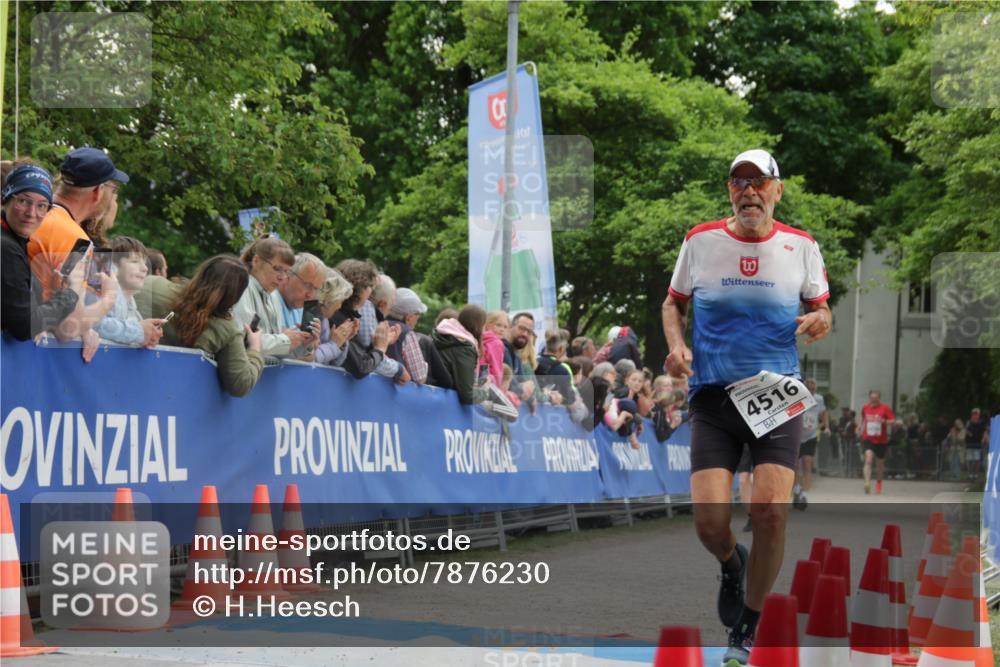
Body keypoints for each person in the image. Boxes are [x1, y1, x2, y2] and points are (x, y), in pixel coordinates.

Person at [661, 149, 832, 665]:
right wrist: (675, 345)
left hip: (775, 396)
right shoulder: (701, 240)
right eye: (739, 183)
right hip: (713, 395)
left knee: (770, 514)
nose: (749, 192)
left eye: (759, 183)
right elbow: (673, 302)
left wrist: (823, 319)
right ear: (730, 191)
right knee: (711, 525)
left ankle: (747, 629)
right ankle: (733, 564)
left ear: (777, 190)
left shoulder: (800, 246)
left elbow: (821, 307)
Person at [27, 148, 127, 358]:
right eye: (113, 190)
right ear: (98, 192)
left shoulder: (26, 213)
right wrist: (109, 298)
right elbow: (68, 328)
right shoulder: (77, 242)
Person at [137, 256, 263, 397]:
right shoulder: (227, 330)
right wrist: (255, 349)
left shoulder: (151, 284)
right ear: (235, 295)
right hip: (174, 397)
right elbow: (240, 384)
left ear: (202, 272)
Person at [1, 163, 90, 341]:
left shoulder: (16, 242)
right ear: (6, 199)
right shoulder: (6, 248)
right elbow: (25, 326)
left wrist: (55, 290)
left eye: (41, 206)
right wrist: (70, 293)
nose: (31, 213)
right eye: (23, 201)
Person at [232, 237, 312, 359]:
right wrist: (284, 340)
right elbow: (240, 339)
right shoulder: (241, 287)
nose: (282, 277)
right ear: (256, 261)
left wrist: (302, 343)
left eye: (286, 272)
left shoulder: (273, 296)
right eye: (277, 269)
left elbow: (276, 353)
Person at [93, 236, 165, 348]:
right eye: (135, 261)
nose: (145, 268)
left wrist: (148, 336)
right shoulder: (98, 294)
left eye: (145, 262)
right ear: (113, 267)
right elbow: (94, 325)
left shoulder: (131, 305)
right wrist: (139, 332)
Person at [330, 259, 393, 379]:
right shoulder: (339, 319)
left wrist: (380, 342)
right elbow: (361, 366)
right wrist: (380, 348)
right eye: (370, 287)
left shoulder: (344, 316)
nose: (371, 294)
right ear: (362, 288)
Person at [433, 304, 487, 405]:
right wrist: (485, 393)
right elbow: (467, 395)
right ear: (479, 326)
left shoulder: (442, 335)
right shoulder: (464, 349)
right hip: (444, 406)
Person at [792, 378, 828, 510]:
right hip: (796, 437)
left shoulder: (819, 399)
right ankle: (796, 489)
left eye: (814, 390)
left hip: (811, 436)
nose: (812, 392)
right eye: (810, 390)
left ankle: (804, 495)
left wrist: (824, 425)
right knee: (795, 466)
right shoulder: (797, 398)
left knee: (807, 464)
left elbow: (824, 413)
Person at [310, 268, 355, 366]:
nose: (339, 306)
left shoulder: (324, 319)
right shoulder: (310, 313)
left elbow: (333, 364)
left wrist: (341, 341)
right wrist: (334, 344)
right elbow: (309, 357)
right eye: (340, 301)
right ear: (330, 297)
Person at [385, 287, 430, 384]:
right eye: (418, 315)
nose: (418, 319)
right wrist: (425, 364)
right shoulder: (407, 333)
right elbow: (419, 377)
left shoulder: (377, 323)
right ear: (409, 317)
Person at [860, 390, 896, 494]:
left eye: (876, 399)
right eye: (872, 399)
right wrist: (860, 428)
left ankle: (879, 482)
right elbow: (863, 419)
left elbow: (893, 420)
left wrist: (884, 421)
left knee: (880, 465)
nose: (874, 401)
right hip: (868, 438)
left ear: (879, 398)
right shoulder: (865, 407)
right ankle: (867, 482)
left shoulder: (885, 408)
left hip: (881, 440)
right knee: (868, 459)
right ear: (869, 398)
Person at [503, 312, 541, 407]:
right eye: (521, 328)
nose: (525, 334)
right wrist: (524, 391)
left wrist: (531, 397)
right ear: (511, 326)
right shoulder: (501, 348)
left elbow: (522, 381)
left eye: (529, 332)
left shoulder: (517, 356)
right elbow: (509, 382)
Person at [604, 367, 645, 449]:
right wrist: (638, 422)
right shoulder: (625, 392)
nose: (636, 383)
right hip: (609, 415)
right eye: (634, 380)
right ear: (626, 381)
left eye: (640, 381)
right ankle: (632, 437)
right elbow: (610, 397)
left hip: (617, 420)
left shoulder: (635, 396)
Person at [480, 311, 510, 387]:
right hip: (488, 383)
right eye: (498, 325)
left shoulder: (481, 338)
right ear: (488, 325)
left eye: (505, 327)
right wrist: (498, 386)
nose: (502, 329)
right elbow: (496, 369)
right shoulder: (497, 343)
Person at [965, 408, 988, 475]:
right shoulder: (968, 423)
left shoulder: (981, 423)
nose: (975, 415)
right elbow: (966, 432)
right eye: (974, 414)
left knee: (977, 460)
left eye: (976, 414)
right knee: (969, 460)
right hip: (969, 444)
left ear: (979, 415)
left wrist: (983, 439)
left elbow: (985, 431)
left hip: (977, 443)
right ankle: (970, 474)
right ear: (971, 415)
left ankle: (975, 474)